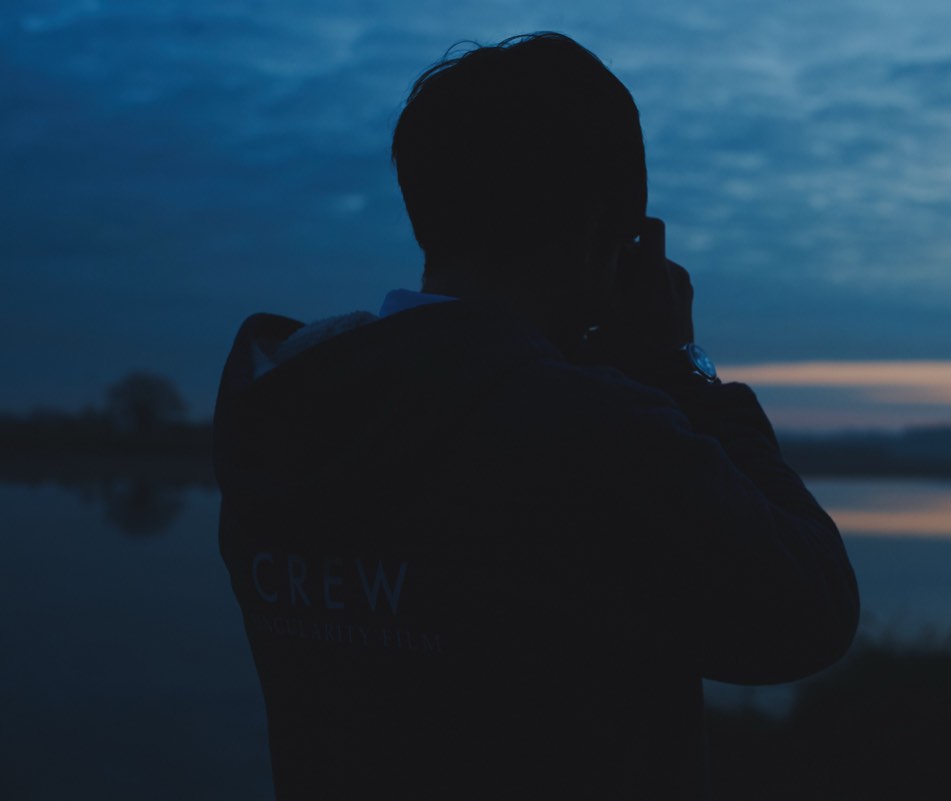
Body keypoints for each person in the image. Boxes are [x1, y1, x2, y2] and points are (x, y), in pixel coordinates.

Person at [214, 32, 858, 800]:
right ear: (604, 231)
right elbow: (810, 610)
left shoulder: (286, 418)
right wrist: (679, 372)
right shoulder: (591, 435)